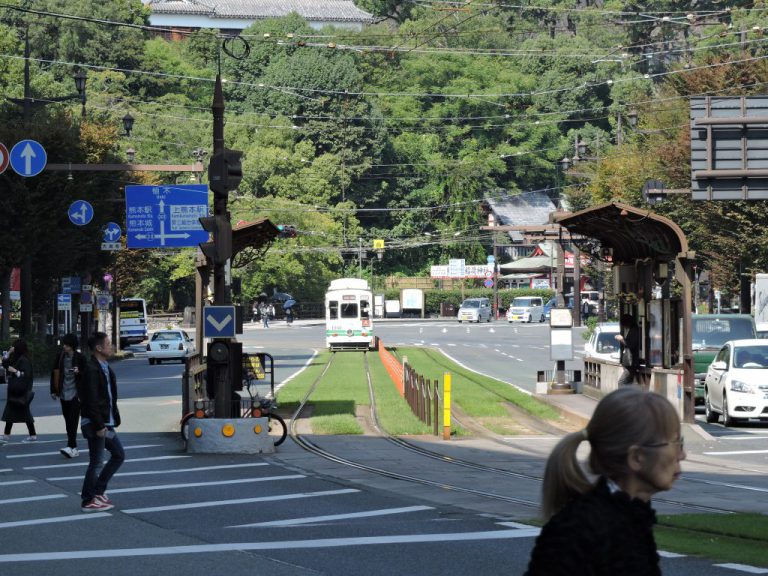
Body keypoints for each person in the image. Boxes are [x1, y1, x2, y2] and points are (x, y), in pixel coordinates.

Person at [525, 387, 686, 576]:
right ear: (636, 458)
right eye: (675, 443)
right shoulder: (581, 530)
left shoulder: (630, 518)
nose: (682, 455)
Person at [78, 332, 124, 512]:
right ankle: (88, 499)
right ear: (98, 348)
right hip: (96, 423)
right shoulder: (91, 369)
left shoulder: (104, 366)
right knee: (96, 461)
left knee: (118, 454)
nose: (111, 346)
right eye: (108, 343)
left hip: (107, 422)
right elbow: (90, 400)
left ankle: (97, 491)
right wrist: (98, 426)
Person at [50, 333, 87, 458]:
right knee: (67, 420)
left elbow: (88, 374)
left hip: (76, 394)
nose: (64, 347)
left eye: (66, 345)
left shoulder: (80, 357)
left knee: (73, 420)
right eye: (64, 344)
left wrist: (79, 372)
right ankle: (72, 446)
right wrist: (53, 390)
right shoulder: (60, 357)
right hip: (63, 393)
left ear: (72, 346)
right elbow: (54, 373)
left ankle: (71, 446)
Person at [1, 339, 37, 443]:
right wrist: (8, 352)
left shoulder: (24, 360)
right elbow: (5, 364)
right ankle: (7, 435)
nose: (13, 348)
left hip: (21, 390)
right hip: (17, 390)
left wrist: (15, 371)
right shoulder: (18, 358)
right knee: (13, 412)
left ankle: (31, 435)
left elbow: (26, 375)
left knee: (17, 412)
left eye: (14, 346)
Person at [616, 313, 640, 385]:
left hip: (632, 362)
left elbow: (631, 345)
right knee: (628, 382)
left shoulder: (634, 330)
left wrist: (622, 339)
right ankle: (628, 396)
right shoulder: (632, 330)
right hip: (630, 362)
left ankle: (623, 396)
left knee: (621, 382)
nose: (624, 327)